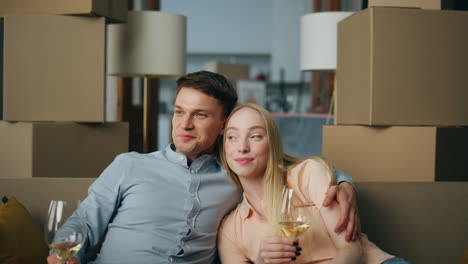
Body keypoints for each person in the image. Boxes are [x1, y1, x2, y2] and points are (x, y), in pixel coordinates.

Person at [47, 71, 359, 264]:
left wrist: (343, 184)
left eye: (200, 115)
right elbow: (84, 221)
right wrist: (66, 253)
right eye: (179, 111)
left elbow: (291, 166)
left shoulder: (239, 172)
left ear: (224, 125)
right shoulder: (129, 165)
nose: (183, 124)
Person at [217, 103, 411, 264]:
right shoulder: (230, 230)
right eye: (232, 137)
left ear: (273, 144)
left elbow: (351, 249)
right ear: (224, 147)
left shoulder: (307, 174)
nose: (242, 147)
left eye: (255, 136)